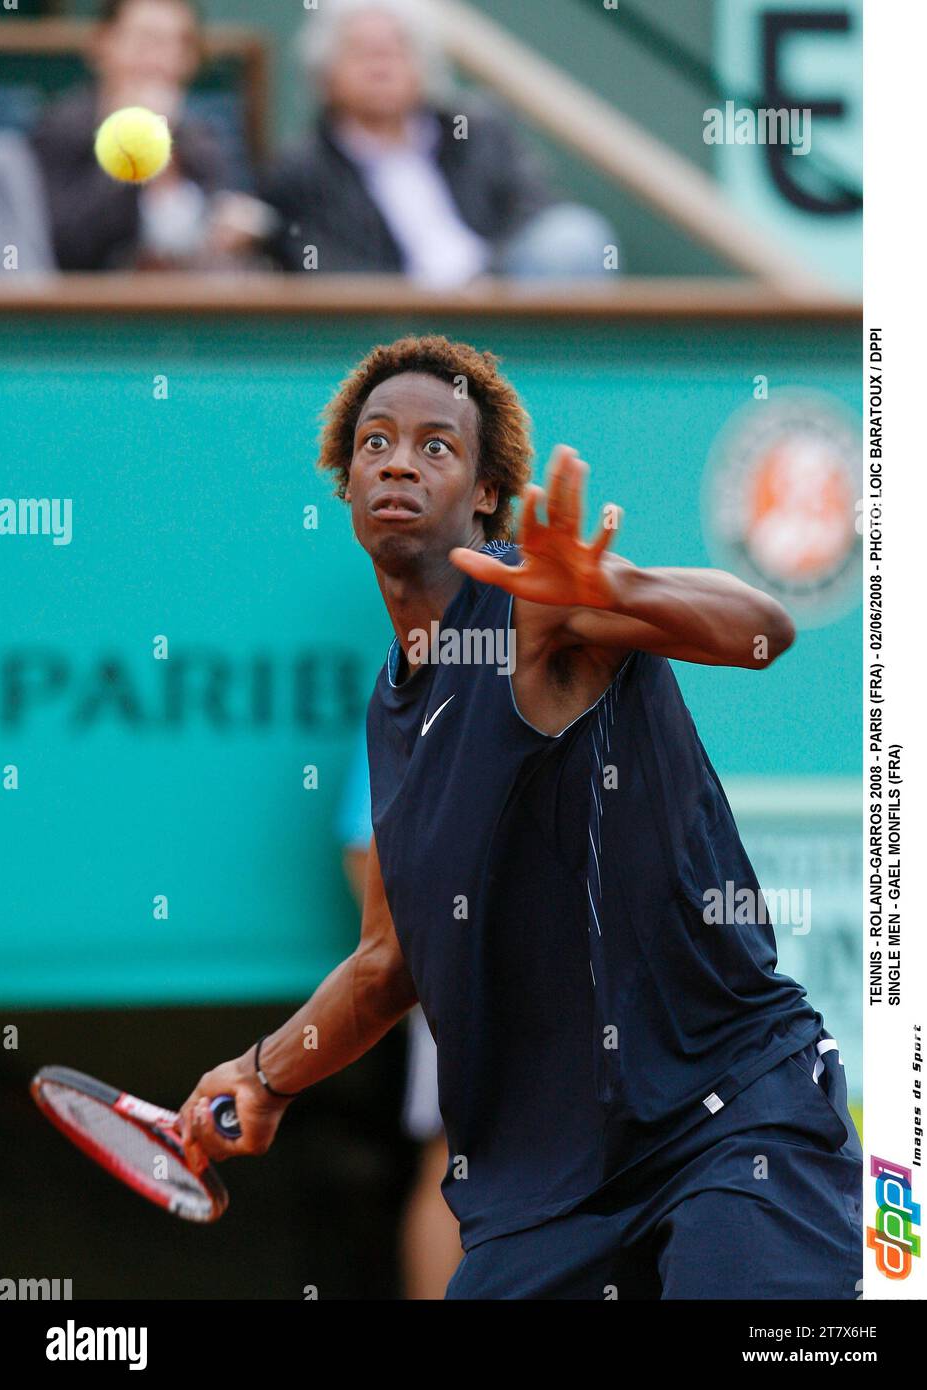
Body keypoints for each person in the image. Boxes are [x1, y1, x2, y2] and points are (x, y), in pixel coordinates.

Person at [180, 334, 862, 1300]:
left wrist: (617, 589)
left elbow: (765, 629)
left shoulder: (537, 611)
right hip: (548, 1196)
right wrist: (265, 1073)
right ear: (344, 484)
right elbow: (388, 963)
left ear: (487, 492)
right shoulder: (392, 713)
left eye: (435, 446)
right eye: (374, 443)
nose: (399, 461)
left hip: (728, 1119)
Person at [261, 0, 616, 284]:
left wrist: (486, 278)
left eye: (395, 49)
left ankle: (539, 372)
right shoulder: (301, 168)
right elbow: (325, 267)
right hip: (401, 327)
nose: (380, 65)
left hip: (505, 295)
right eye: (362, 52)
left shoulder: (479, 130)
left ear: (423, 66)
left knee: (575, 236)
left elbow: (534, 207)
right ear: (325, 75)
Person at [337, 735, 461, 1299]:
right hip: (461, 977)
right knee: (457, 1159)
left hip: (593, 976)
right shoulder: (417, 686)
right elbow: (365, 849)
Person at [30, 0, 265, 271]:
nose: (157, 61)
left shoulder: (205, 138)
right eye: (145, 41)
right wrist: (136, 151)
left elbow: (236, 220)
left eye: (176, 45)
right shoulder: (60, 132)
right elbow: (65, 248)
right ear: (103, 44)